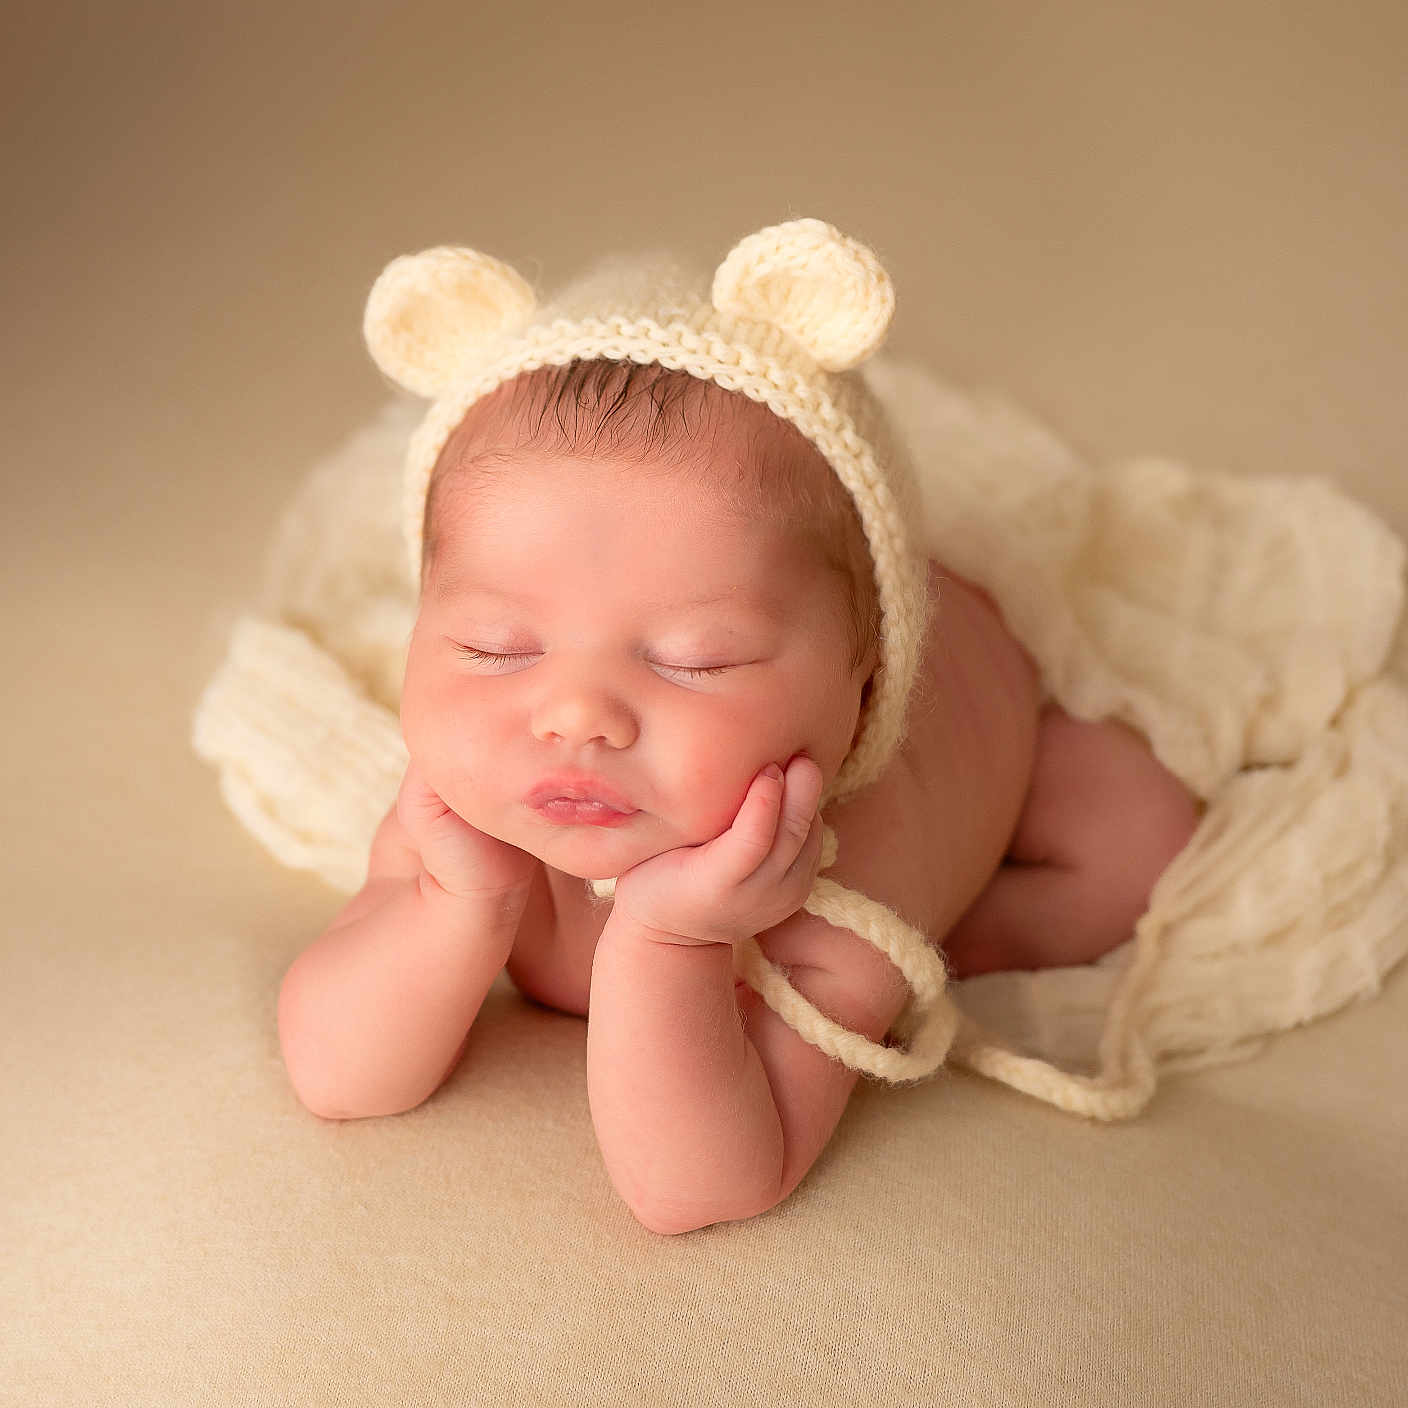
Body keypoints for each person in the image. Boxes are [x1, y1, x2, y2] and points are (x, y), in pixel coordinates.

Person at [275, 221, 1202, 1234]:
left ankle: (986, 920)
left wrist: (668, 938)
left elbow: (695, 1187)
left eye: (694, 659)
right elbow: (335, 1076)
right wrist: (454, 904)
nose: (575, 714)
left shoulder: (844, 896)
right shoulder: (462, 818)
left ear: (862, 692)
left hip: (990, 669)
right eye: (495, 645)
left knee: (1143, 834)